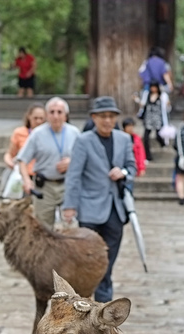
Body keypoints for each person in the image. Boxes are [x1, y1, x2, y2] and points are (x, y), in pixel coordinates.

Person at [62, 96, 137, 303]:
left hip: (115, 208)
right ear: (94, 118)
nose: (107, 121)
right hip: (90, 207)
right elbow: (74, 175)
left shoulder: (123, 139)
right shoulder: (84, 141)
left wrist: (122, 172)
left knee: (109, 258)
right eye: (103, 116)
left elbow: (133, 167)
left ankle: (104, 300)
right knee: (89, 257)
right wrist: (70, 206)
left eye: (111, 116)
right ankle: (86, 297)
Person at [16, 96, 81, 227]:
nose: (55, 116)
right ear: (46, 115)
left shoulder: (74, 133)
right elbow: (22, 160)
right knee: (43, 228)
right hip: (45, 186)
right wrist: (27, 181)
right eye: (52, 112)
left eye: (59, 112)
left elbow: (83, 159)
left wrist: (71, 162)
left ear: (65, 115)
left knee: (71, 226)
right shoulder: (37, 134)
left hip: (67, 184)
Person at [4, 102, 46, 176]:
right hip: (23, 174)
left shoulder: (49, 134)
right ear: (29, 116)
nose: (38, 121)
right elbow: (10, 154)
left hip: (42, 175)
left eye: (41, 118)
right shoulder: (19, 133)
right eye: (35, 118)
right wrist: (10, 163)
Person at [138, 81, 170, 161]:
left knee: (158, 135)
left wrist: (168, 105)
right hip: (148, 119)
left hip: (158, 119)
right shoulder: (147, 95)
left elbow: (167, 108)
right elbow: (143, 105)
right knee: (146, 137)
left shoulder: (162, 96)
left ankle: (163, 144)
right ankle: (148, 156)